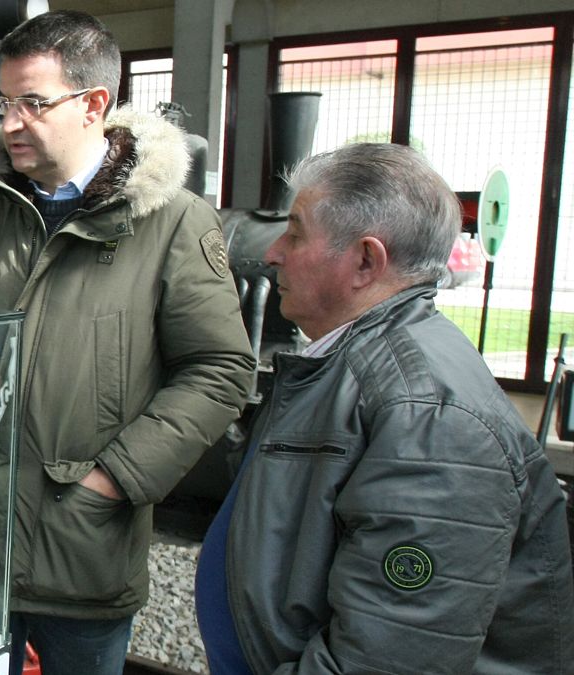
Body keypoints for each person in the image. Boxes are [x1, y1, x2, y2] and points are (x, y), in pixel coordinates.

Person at [0, 10, 255, 675]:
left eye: (33, 102)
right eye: (3, 101)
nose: (8, 122)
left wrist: (114, 479)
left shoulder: (172, 222)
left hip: (78, 538)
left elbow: (219, 369)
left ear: (94, 104)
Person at [195, 142, 574, 674]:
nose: (275, 252)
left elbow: (388, 657)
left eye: (296, 231)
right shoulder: (345, 363)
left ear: (366, 261)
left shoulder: (429, 417)